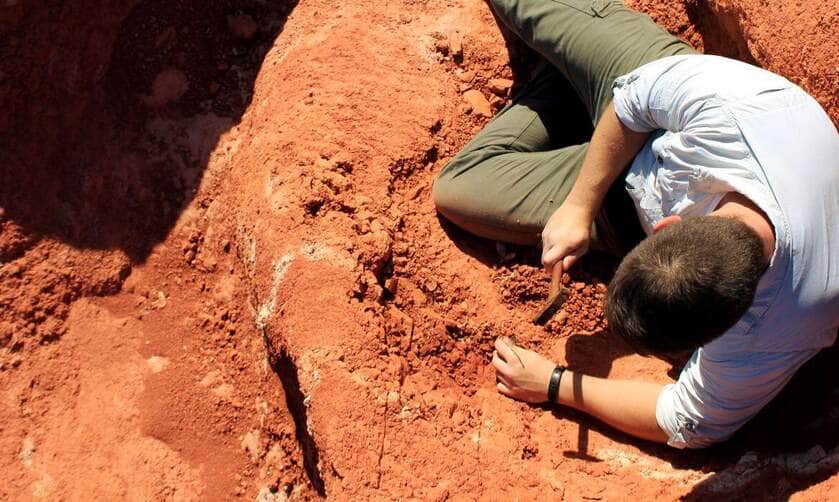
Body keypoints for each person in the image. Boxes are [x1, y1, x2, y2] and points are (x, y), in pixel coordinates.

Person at [432, 0, 839, 448]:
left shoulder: (781, 325)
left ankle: (562, 82)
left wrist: (554, 384)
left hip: (630, 203)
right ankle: (573, 73)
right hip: (658, 104)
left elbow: (687, 422)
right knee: (528, 8)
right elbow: (635, 97)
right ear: (666, 228)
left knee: (459, 189)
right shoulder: (733, 112)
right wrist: (578, 207)